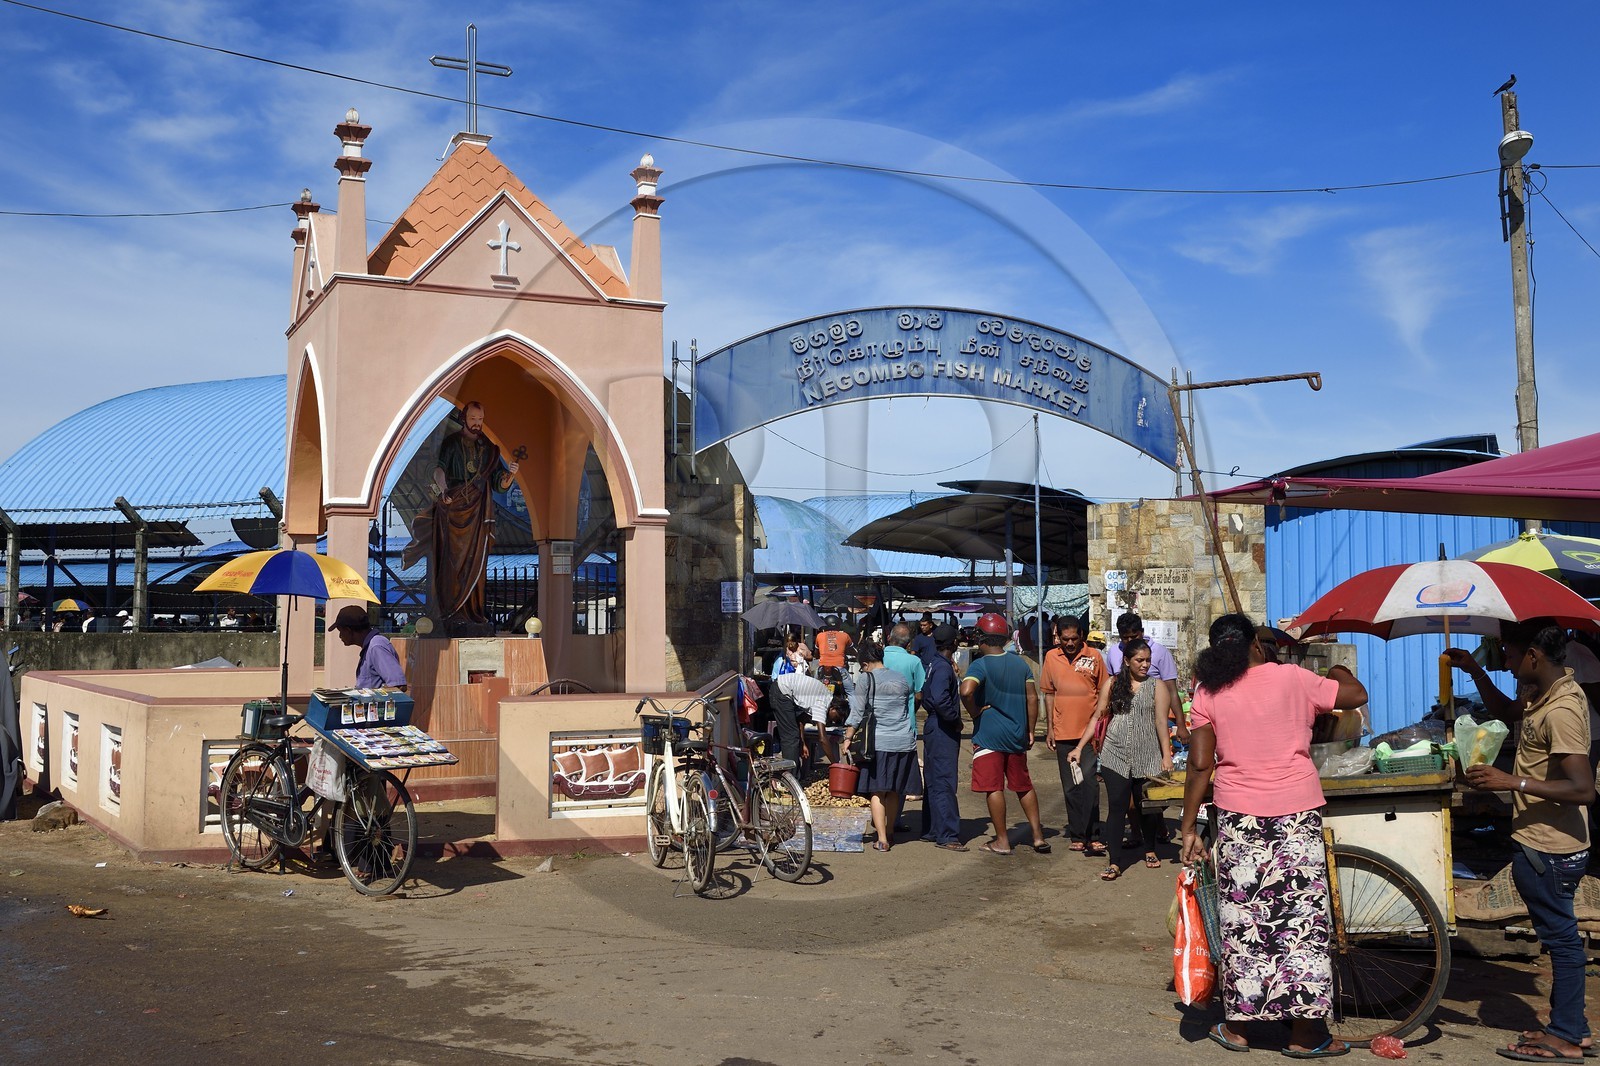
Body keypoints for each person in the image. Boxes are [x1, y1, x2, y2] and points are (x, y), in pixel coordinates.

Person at [1179, 613, 1367, 1057]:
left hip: (1239, 817)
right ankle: (1305, 1034)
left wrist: (1188, 825)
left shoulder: (1207, 691)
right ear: (1256, 646)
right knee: (1300, 925)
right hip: (1295, 814)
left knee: (1245, 922)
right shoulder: (1294, 678)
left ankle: (1239, 1028)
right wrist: (1336, 670)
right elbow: (1355, 694)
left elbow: (1201, 764)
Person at [1447, 619, 1593, 1063]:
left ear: (1533, 655)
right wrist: (1475, 672)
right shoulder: (1540, 697)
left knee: (1562, 941)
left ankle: (1566, 1034)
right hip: (1539, 839)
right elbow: (1510, 714)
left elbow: (1584, 789)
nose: (1506, 664)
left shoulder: (1562, 710)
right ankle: (1572, 1028)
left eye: (1508, 656)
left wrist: (1514, 782)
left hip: (1550, 845)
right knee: (1559, 936)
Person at [407, 401, 520, 634]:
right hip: (454, 508)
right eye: (473, 419)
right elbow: (438, 469)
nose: (477, 424)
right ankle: (450, 612)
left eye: (480, 419)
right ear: (463, 419)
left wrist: (509, 477)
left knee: (475, 561)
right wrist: (443, 489)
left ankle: (473, 613)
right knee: (452, 562)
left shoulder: (489, 448)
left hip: (478, 512)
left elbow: (498, 483)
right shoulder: (451, 444)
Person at [1072, 637, 1171, 879]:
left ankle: (1149, 848)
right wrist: (1079, 747)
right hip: (1114, 753)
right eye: (1140, 660)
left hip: (1147, 753)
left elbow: (1161, 722)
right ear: (1127, 661)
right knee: (1116, 807)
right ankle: (1115, 862)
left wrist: (1166, 755)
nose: (1145, 665)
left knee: (1145, 805)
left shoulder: (1157, 687)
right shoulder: (1113, 684)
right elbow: (1097, 717)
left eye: (1148, 660)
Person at [961, 614, 1048, 855]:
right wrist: (1030, 729)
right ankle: (1038, 836)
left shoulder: (981, 664)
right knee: (1023, 785)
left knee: (994, 787)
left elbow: (966, 691)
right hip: (1017, 733)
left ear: (982, 638)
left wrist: (975, 712)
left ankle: (1002, 840)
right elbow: (1032, 697)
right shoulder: (1020, 664)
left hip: (989, 735)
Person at [841, 641, 921, 852]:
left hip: (880, 742)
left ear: (865, 663)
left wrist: (848, 737)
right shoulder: (901, 678)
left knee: (878, 791)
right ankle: (891, 831)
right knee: (895, 790)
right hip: (904, 740)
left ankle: (882, 839)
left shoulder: (866, 679)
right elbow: (906, 707)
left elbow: (857, 712)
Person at [1041, 619, 1107, 854]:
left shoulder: (1095, 657)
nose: (1069, 643)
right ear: (1058, 636)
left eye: (1074, 639)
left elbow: (1103, 693)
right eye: (1065, 639)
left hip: (1089, 734)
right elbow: (1049, 694)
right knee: (1071, 786)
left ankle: (1094, 834)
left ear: (1082, 636)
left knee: (1089, 783)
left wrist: (1101, 729)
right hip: (1062, 732)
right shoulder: (1051, 657)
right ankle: (1078, 835)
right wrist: (1049, 728)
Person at [918, 624, 967, 851]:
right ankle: (947, 834)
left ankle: (932, 829)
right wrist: (955, 720)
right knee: (944, 780)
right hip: (942, 727)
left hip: (934, 725)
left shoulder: (934, 665)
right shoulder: (943, 668)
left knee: (934, 780)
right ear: (953, 644)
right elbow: (939, 699)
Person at [1105, 611, 1180, 711]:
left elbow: (1172, 691)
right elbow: (1111, 687)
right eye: (1125, 638)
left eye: (1134, 636)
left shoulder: (1161, 652)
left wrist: (1180, 723)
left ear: (1142, 632)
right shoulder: (1113, 652)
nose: (1130, 641)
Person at [328, 604, 408, 690]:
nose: (340, 636)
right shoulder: (370, 647)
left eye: (341, 631)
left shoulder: (376, 646)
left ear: (348, 630)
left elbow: (399, 686)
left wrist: (376, 699)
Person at [769, 667, 833, 771]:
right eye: (836, 717)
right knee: (791, 738)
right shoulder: (823, 702)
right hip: (781, 691)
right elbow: (823, 738)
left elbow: (801, 719)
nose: (833, 720)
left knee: (794, 737)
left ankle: (794, 776)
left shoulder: (825, 695)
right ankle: (790, 778)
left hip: (781, 688)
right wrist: (835, 764)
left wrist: (803, 743)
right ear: (834, 708)